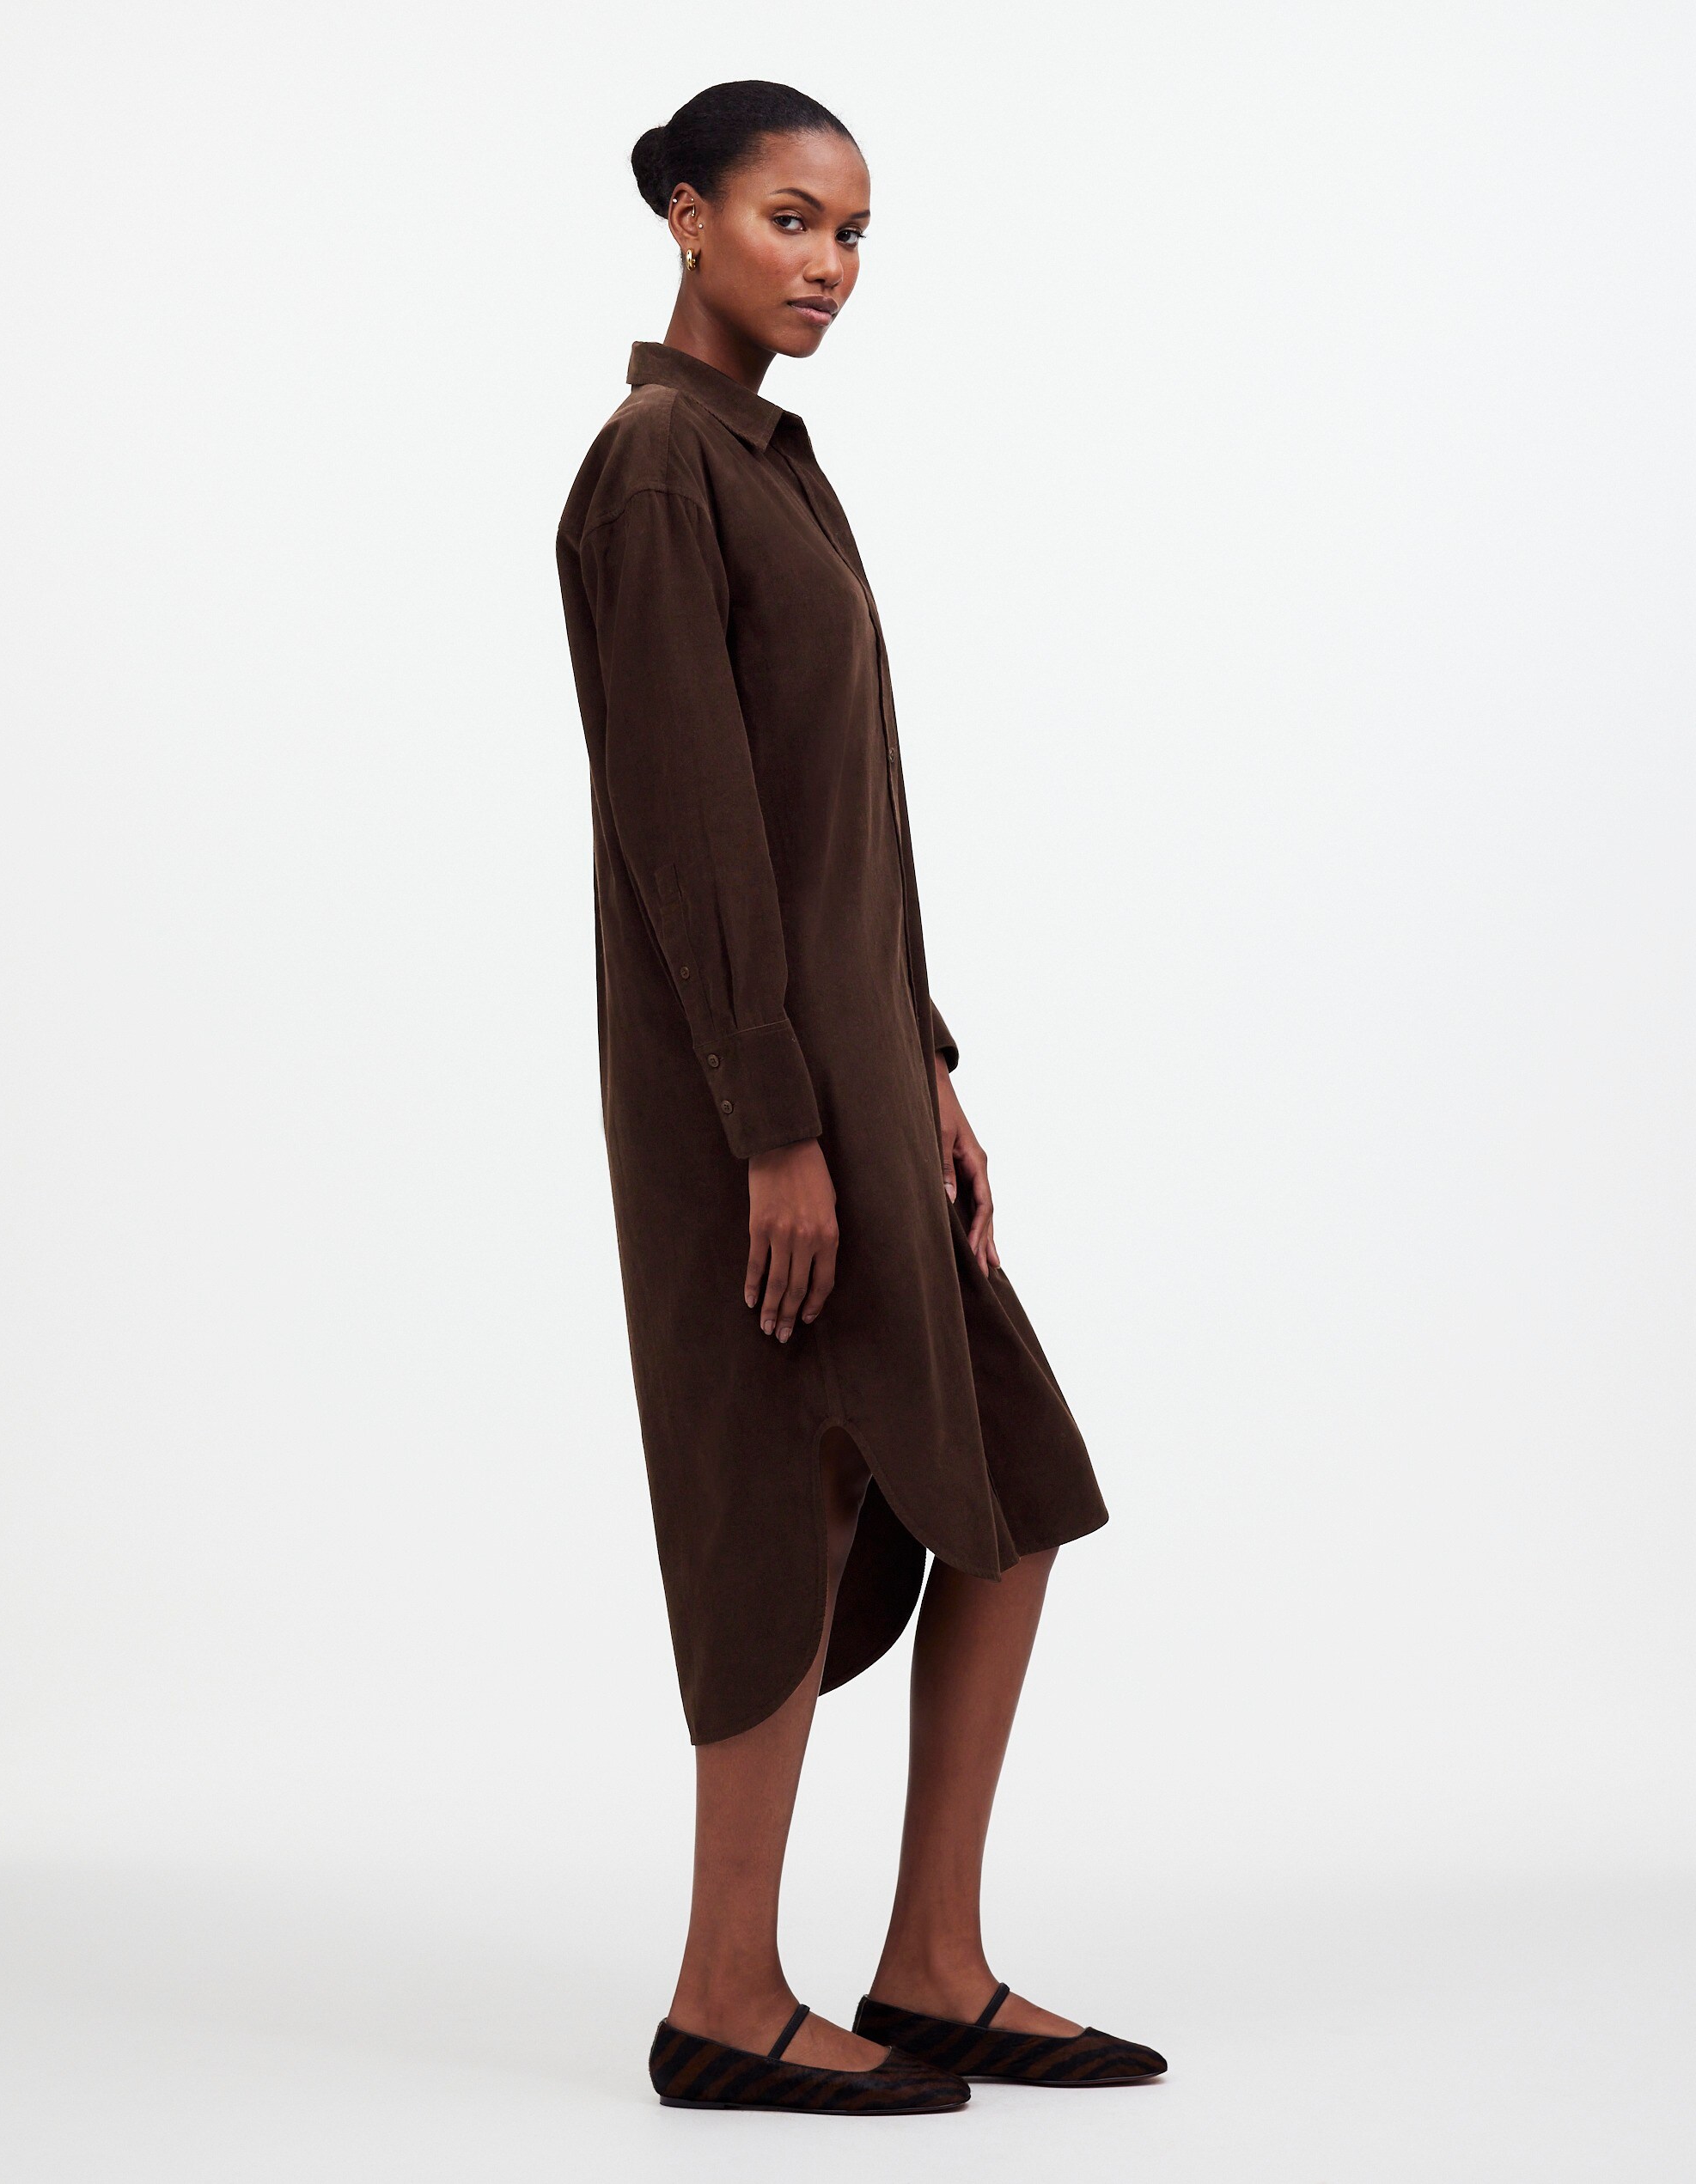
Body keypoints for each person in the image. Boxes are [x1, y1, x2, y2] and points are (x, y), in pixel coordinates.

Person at [557, 79, 1167, 2116]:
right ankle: (722, 1996)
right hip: (753, 1106)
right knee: (784, 1496)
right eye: (789, 219)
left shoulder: (772, 466)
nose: (826, 265)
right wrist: (774, 1126)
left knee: (1010, 1483)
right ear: (683, 216)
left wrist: (922, 1066)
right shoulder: (659, 468)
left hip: (851, 1080)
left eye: (854, 235)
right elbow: (693, 835)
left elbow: (841, 830)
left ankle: (930, 1960)